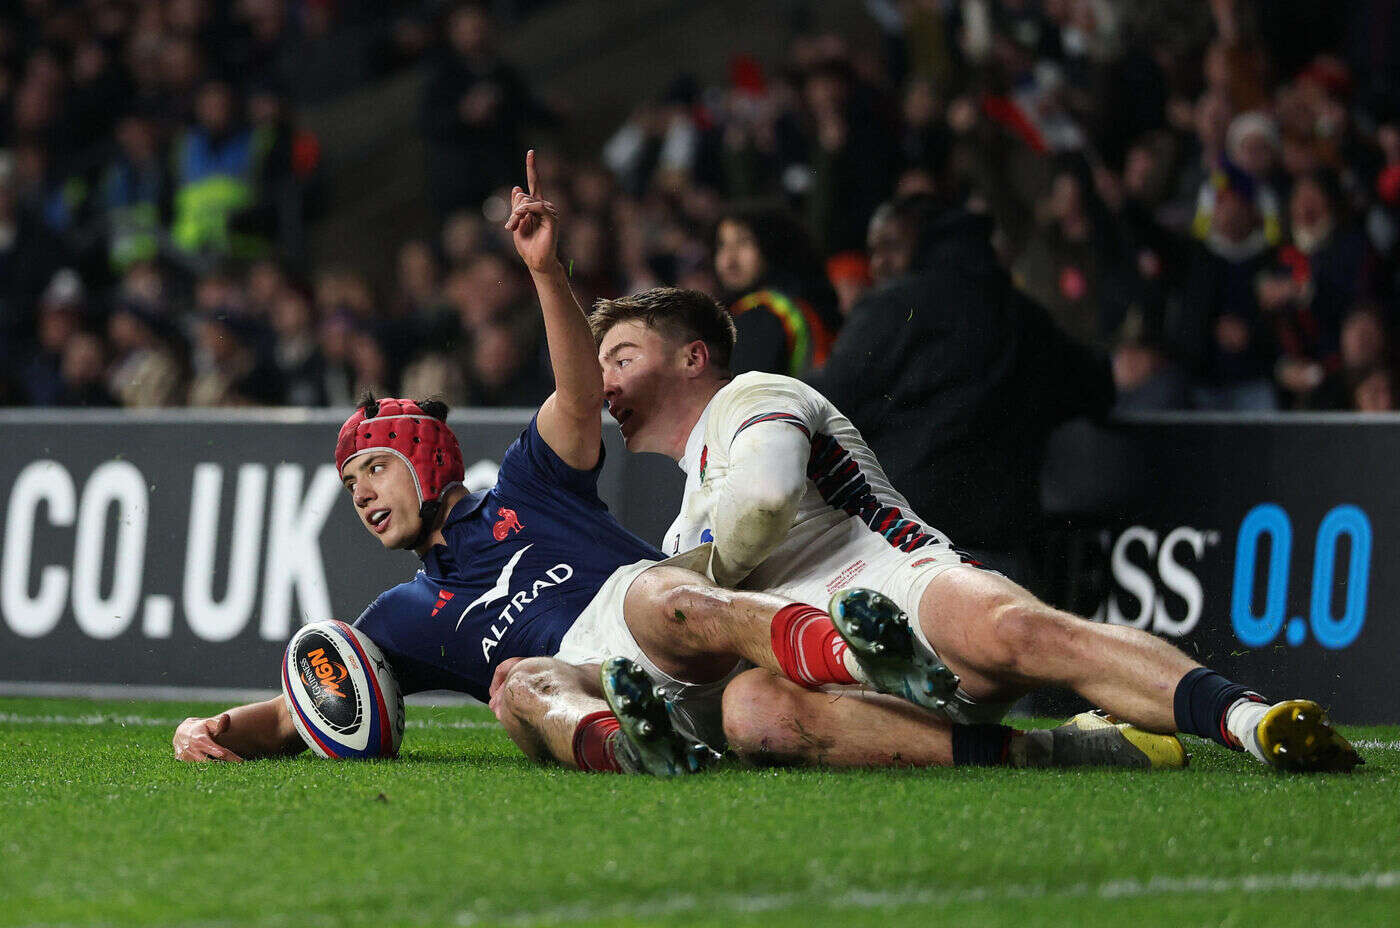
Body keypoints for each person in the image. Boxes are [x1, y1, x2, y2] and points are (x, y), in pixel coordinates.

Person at [174, 153, 1182, 776]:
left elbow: (575, 394)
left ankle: (856, 651)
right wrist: (223, 725)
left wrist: (545, 272)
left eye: (375, 470)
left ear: (430, 460)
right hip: (608, 687)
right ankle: (631, 748)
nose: (363, 495)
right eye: (351, 486)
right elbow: (330, 689)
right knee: (516, 688)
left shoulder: (525, 483)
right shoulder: (402, 615)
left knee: (666, 596)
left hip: (666, 618)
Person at [583, 280, 1361, 774]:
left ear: (693, 357)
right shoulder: (685, 520)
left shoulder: (753, 395)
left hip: (894, 580)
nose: (604, 379)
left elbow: (764, 502)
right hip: (832, 668)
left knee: (1010, 627)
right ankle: (1048, 750)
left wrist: (691, 593)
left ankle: (1249, 720)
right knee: (752, 713)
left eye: (620, 355)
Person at [712, 206, 842, 377]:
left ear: (772, 247)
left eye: (743, 242)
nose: (728, 260)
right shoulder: (803, 301)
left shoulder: (764, 312)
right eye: (722, 245)